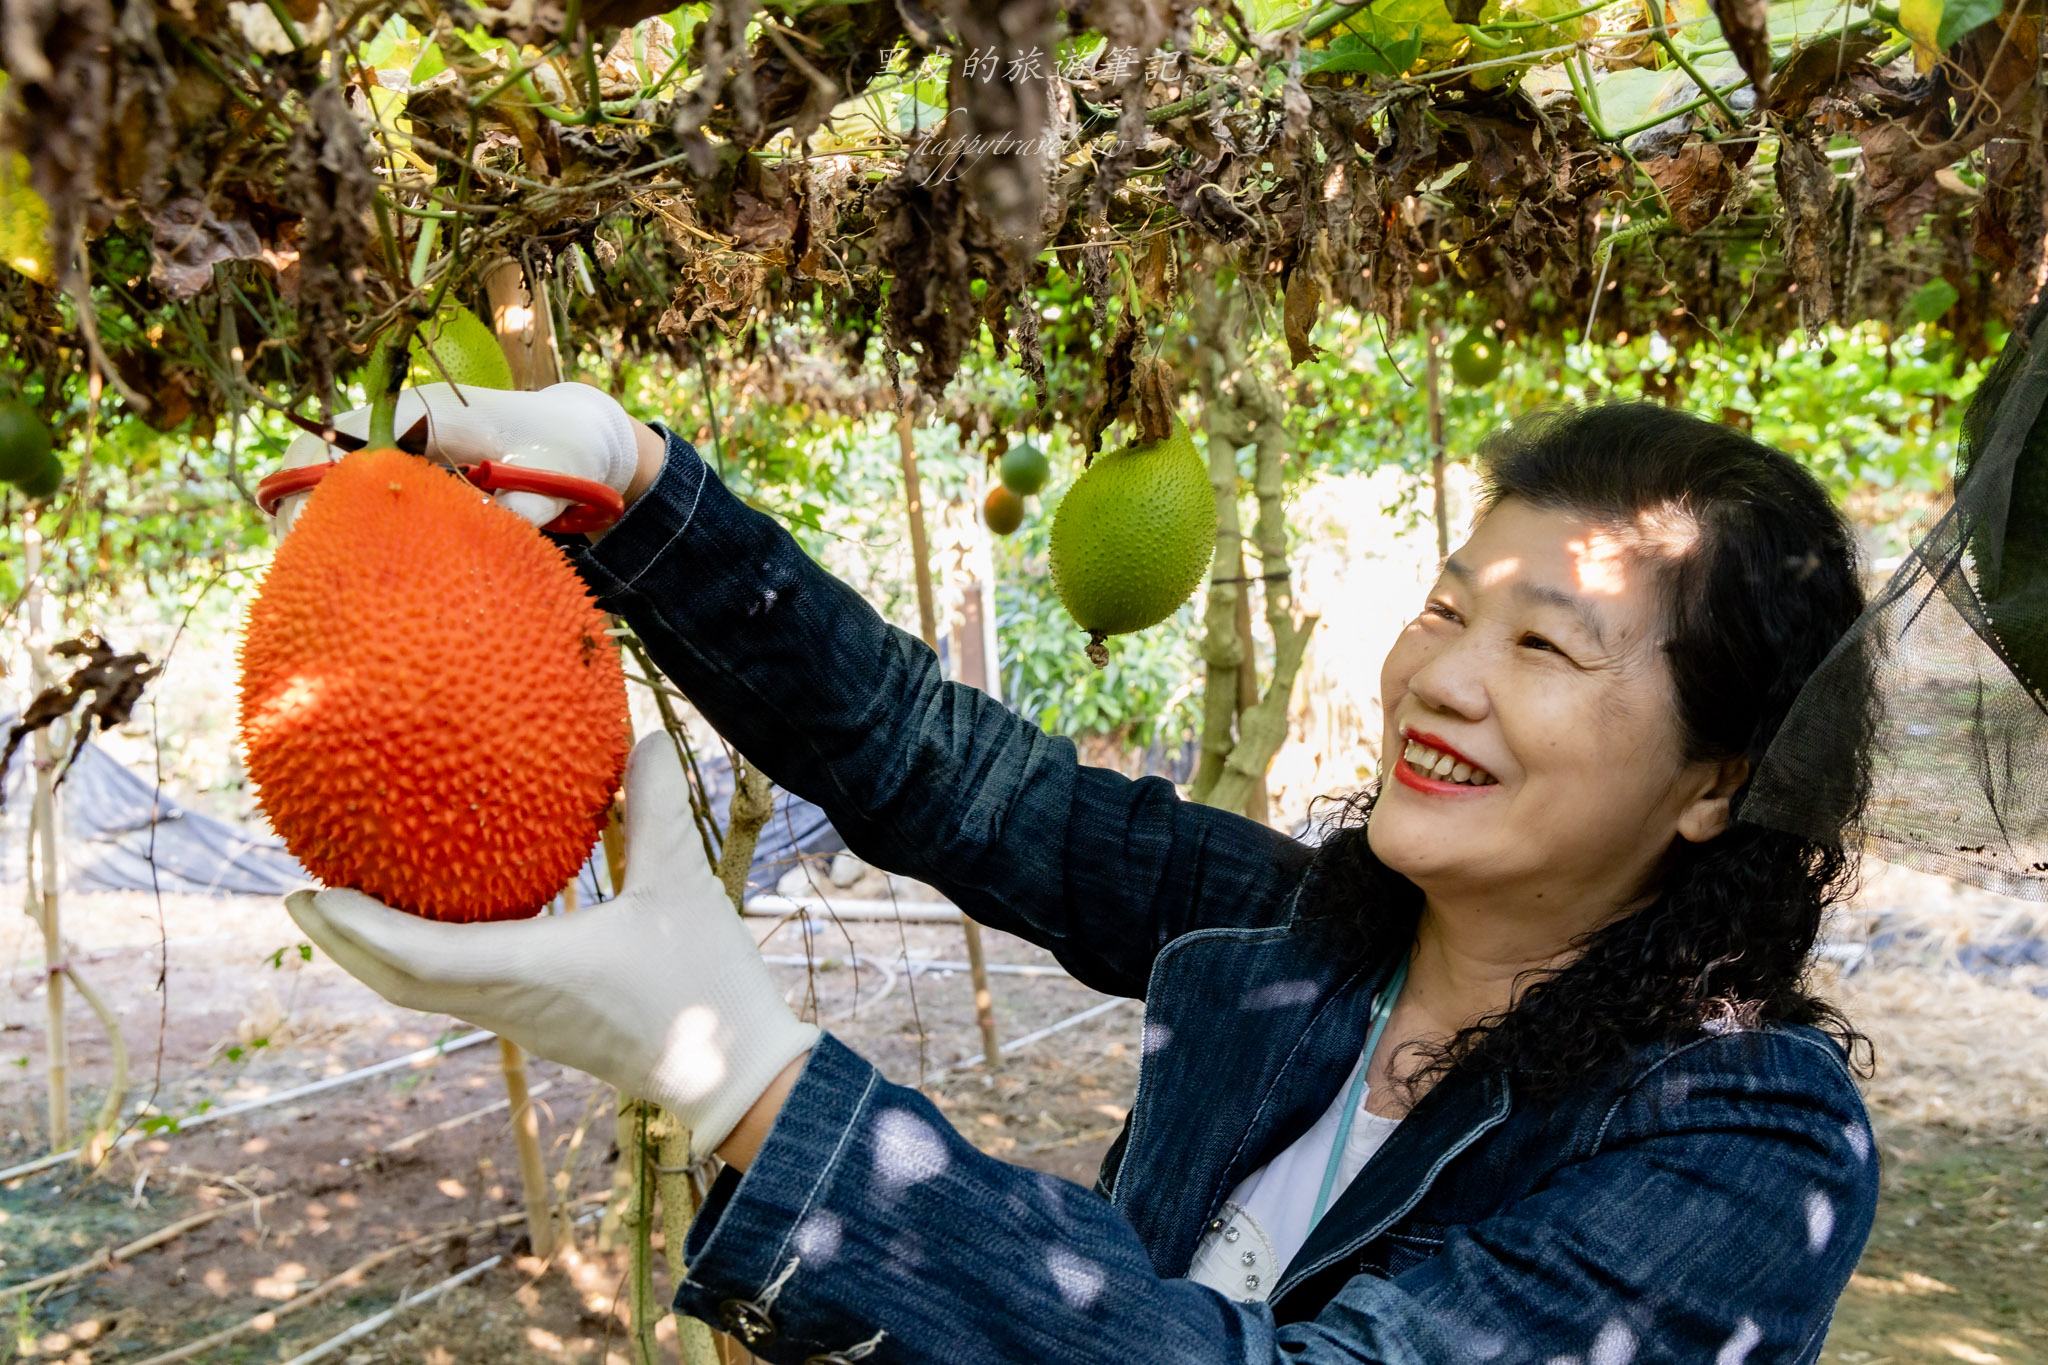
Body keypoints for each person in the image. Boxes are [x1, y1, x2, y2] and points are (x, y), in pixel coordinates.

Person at [274, 387, 1881, 1364]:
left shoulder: (1749, 1138)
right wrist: (641, 490)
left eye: (1546, 644)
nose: (1444, 678)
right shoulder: (1306, 935)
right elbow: (951, 771)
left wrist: (750, 1080)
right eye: (1452, 609)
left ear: (1719, 776)